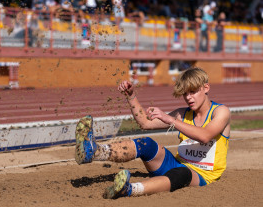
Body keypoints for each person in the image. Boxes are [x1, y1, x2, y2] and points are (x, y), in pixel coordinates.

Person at [75, 67, 231, 199]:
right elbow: (145, 122)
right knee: (146, 144)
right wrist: (131, 96)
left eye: (193, 92)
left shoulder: (221, 112)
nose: (188, 97)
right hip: (176, 164)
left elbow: (205, 136)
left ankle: (130, 189)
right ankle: (94, 152)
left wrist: (171, 120)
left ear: (206, 88)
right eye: (185, 93)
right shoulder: (183, 114)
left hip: (202, 175)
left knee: (182, 173)